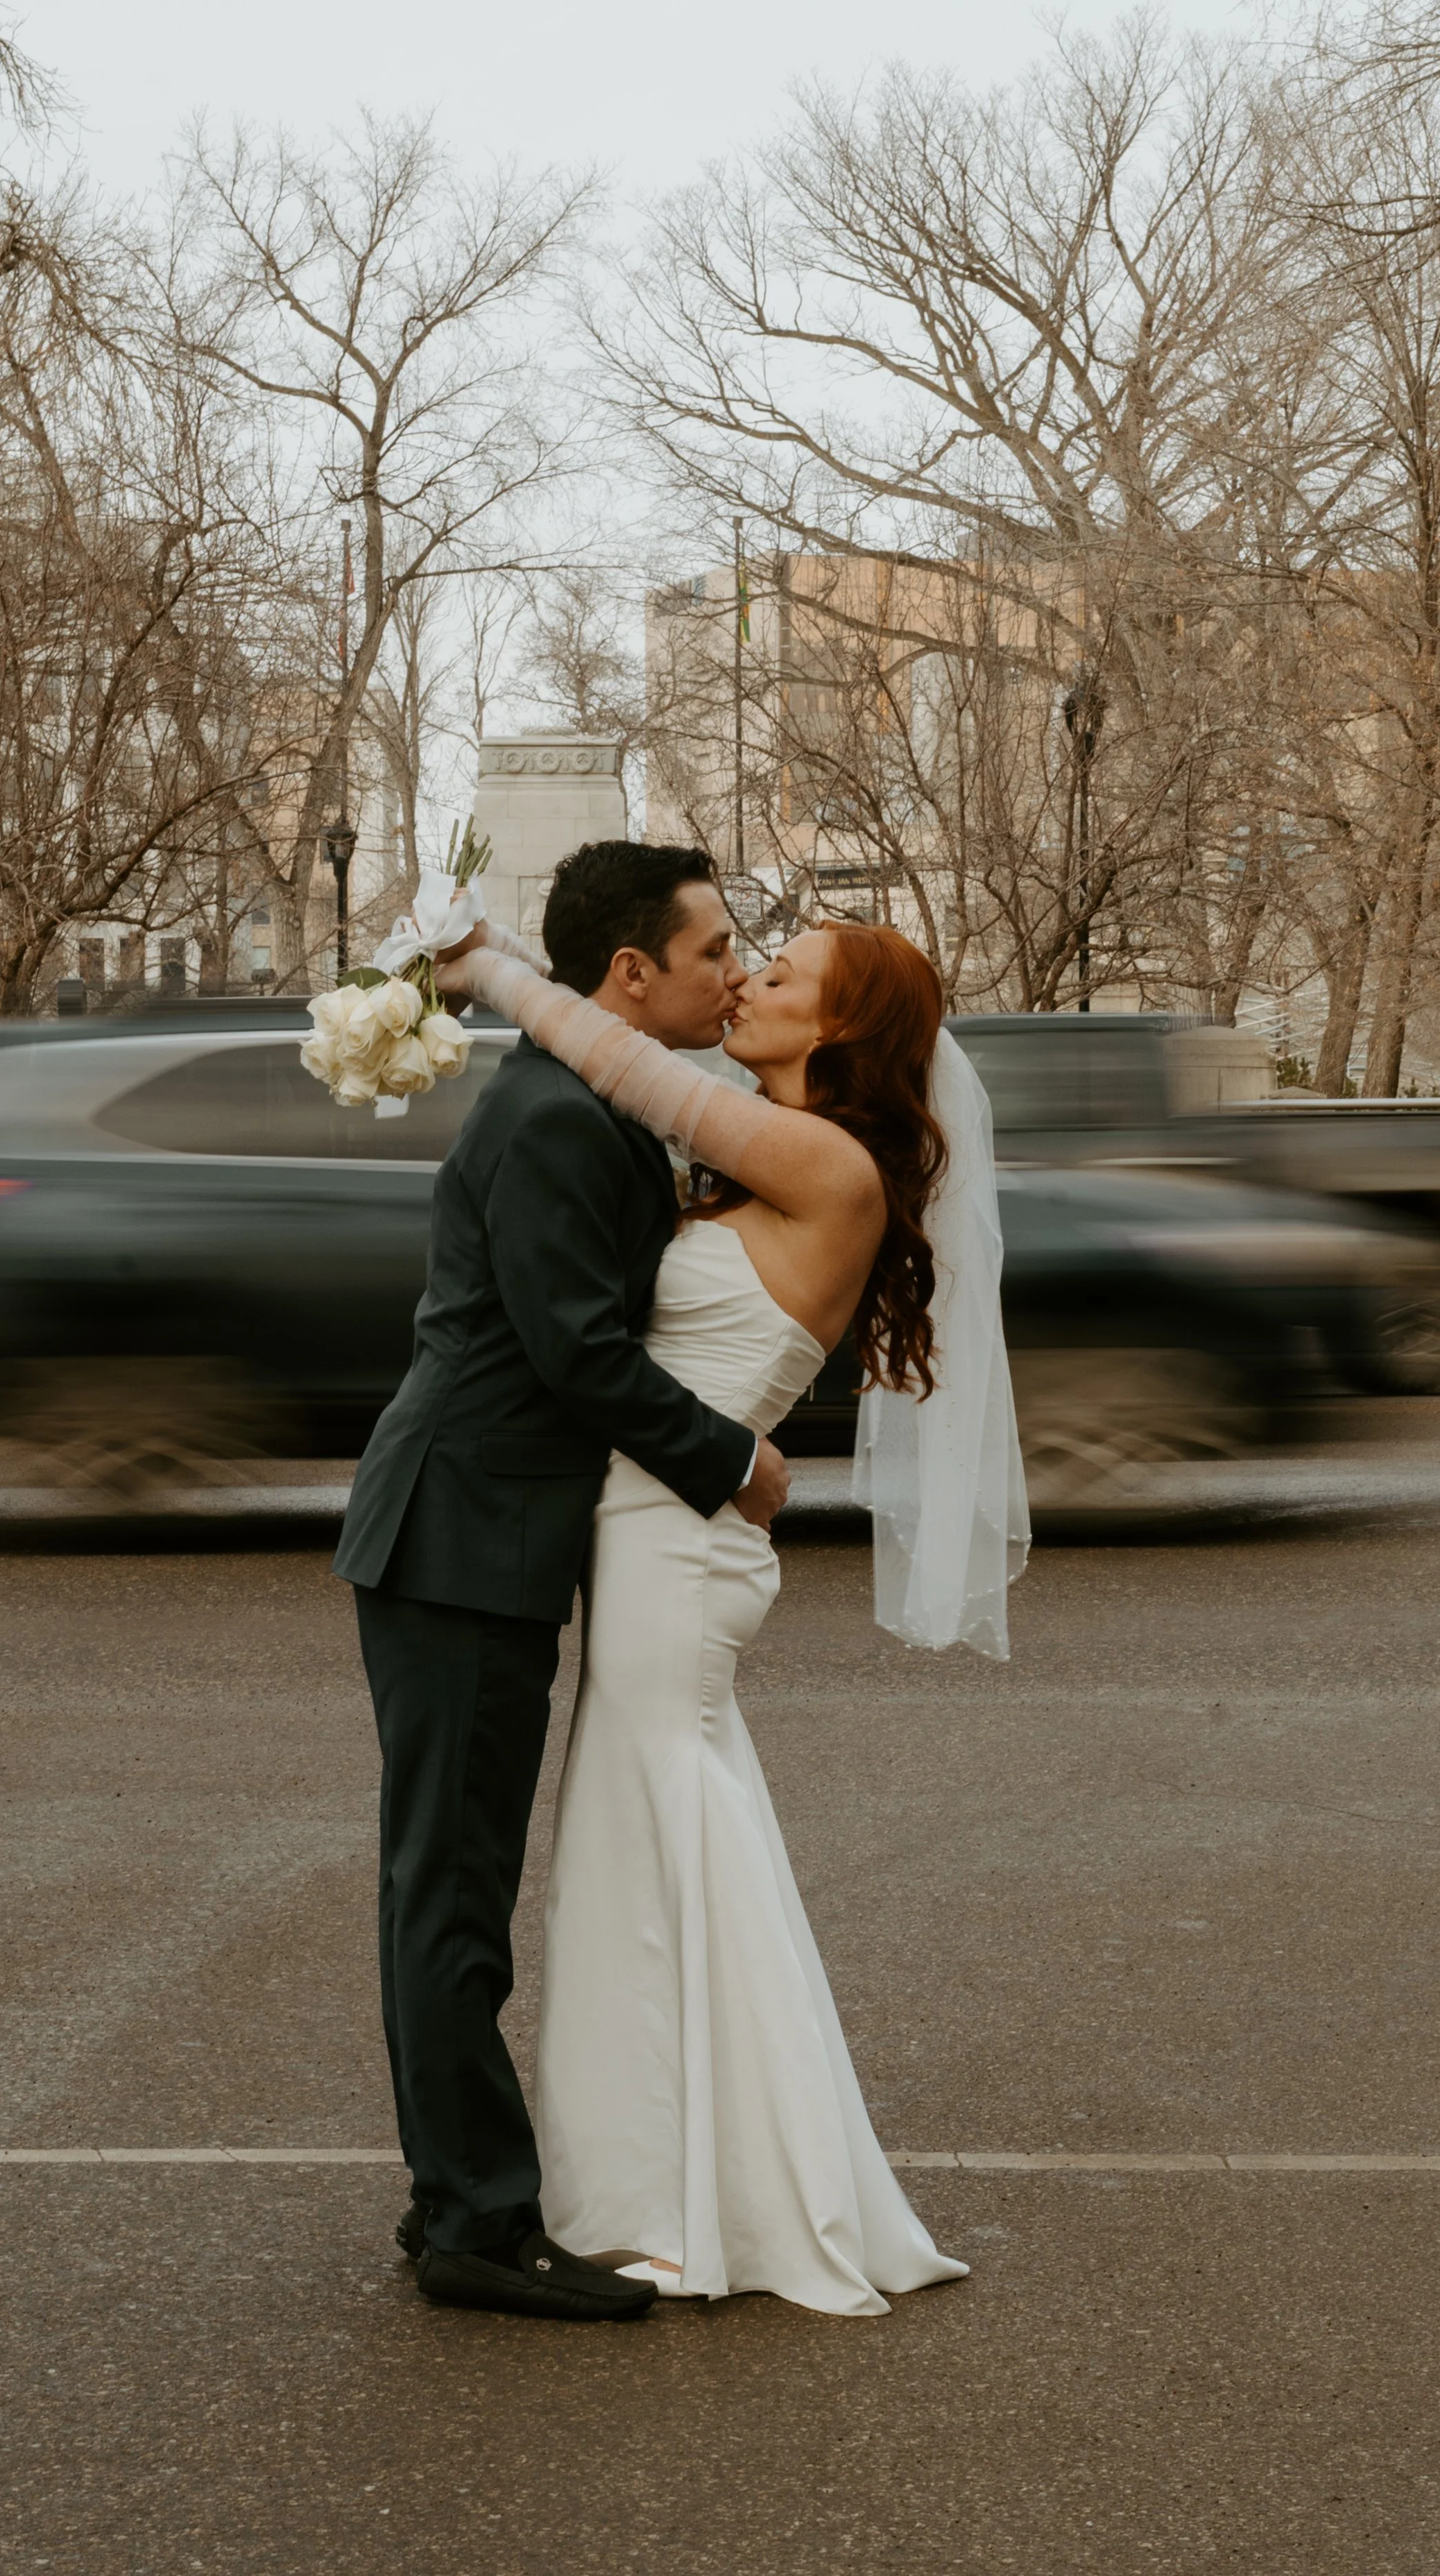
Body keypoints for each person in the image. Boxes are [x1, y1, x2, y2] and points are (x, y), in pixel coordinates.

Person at [434, 907, 1027, 2315]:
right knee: (663, 1851)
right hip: (664, 1540)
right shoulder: (770, 1158)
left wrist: (495, 972)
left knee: (653, 1860)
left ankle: (673, 2206)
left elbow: (625, 1066)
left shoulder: (823, 1162)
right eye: (746, 961)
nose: (749, 982)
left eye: (783, 977)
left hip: (678, 1556)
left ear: (839, 1031)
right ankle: (696, 2181)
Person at [334, 841, 791, 2323]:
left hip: (483, 1537)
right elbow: (575, 1352)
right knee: (450, 1893)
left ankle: (449, 2201)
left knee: (451, 1883)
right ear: (630, 976)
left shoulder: (590, 1098)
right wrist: (732, 1460)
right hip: (459, 1537)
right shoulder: (553, 1120)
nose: (736, 972)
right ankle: (472, 2220)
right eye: (716, 949)